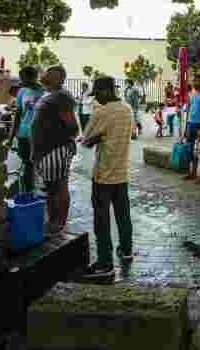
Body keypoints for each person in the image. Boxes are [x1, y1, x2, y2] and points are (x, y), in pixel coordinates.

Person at [80, 76, 134, 279]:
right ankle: (126, 250)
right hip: (122, 173)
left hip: (103, 176)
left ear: (104, 91)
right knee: (123, 215)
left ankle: (105, 263)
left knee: (101, 221)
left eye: (97, 94)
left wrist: (98, 137)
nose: (97, 99)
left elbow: (85, 141)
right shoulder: (127, 109)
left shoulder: (101, 112)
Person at [30, 65, 78, 234]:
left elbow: (72, 126)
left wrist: (58, 139)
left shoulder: (62, 96)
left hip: (56, 150)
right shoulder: (50, 95)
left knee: (58, 187)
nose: (44, 76)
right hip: (46, 151)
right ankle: (53, 221)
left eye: (48, 74)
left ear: (58, 78)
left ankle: (58, 223)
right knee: (51, 189)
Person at [5, 66, 44, 193]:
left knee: (41, 165)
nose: (22, 82)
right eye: (21, 79)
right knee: (27, 165)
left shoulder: (45, 92)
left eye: (24, 79)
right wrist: (10, 138)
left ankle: (43, 193)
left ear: (34, 77)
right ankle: (29, 193)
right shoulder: (22, 92)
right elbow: (17, 116)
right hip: (24, 134)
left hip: (40, 135)